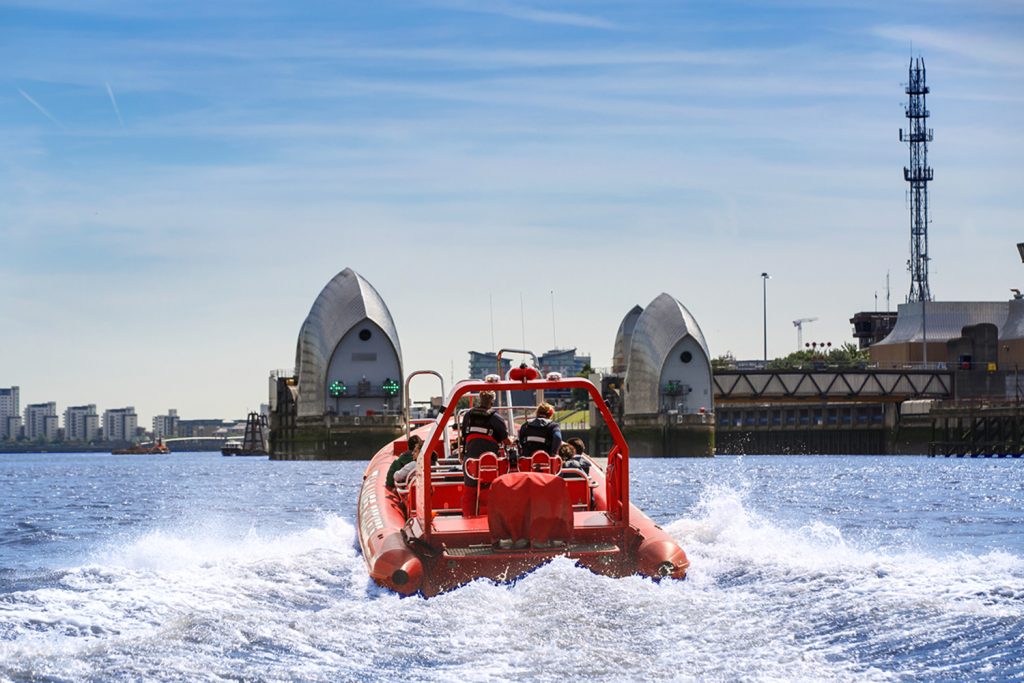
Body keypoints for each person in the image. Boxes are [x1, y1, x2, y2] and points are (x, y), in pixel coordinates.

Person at [460, 391, 513, 459]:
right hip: (490, 460)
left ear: (480, 400)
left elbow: (464, 436)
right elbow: (506, 441)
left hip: (469, 460)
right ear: (492, 402)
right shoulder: (496, 418)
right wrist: (512, 439)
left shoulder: (467, 415)